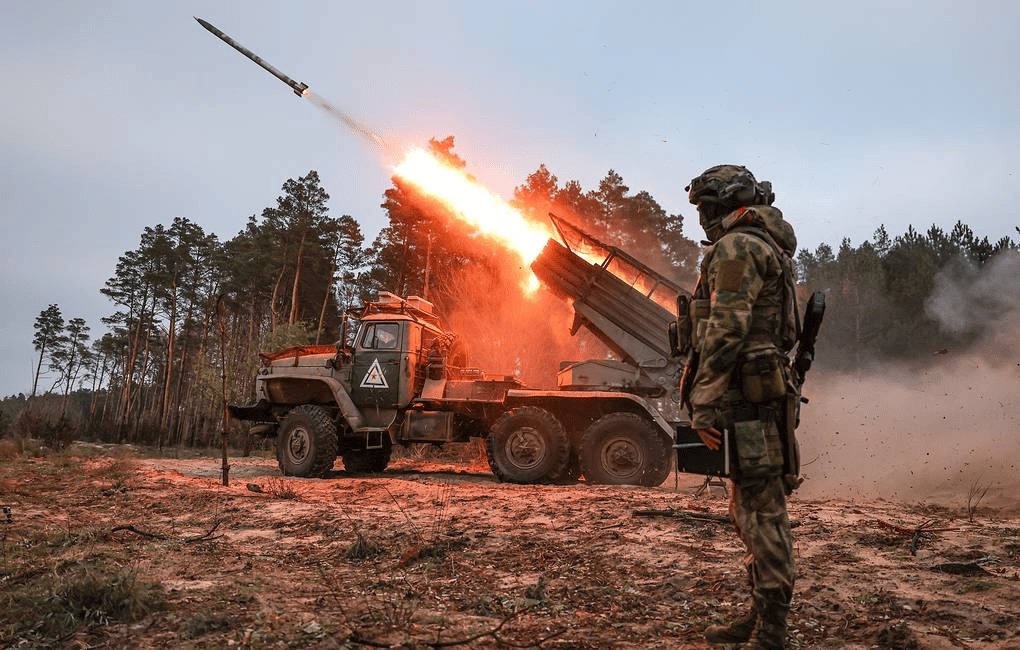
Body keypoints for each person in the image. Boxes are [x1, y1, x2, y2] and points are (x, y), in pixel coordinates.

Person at [681, 164, 800, 649]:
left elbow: (727, 328)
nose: (701, 218)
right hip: (754, 397)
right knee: (748, 510)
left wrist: (704, 399)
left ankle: (773, 633)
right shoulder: (758, 243)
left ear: (723, 205)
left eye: (705, 208)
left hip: (747, 401)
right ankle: (759, 617)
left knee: (762, 514)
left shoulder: (738, 247)